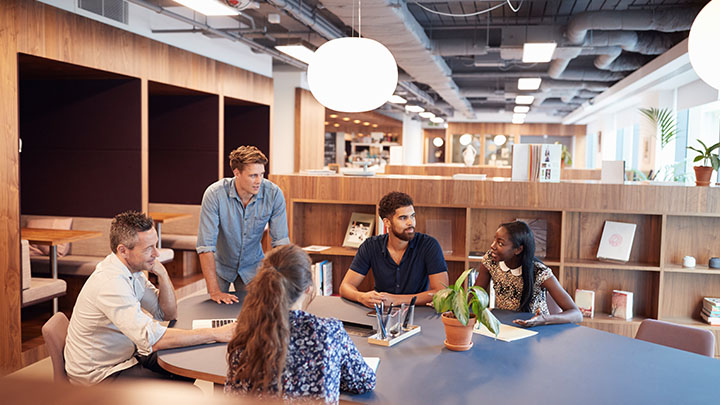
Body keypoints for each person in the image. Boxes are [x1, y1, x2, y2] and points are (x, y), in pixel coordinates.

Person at [64, 211, 235, 386]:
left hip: (127, 355)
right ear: (123, 250)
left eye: (156, 245)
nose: (157, 253)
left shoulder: (133, 271)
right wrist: (216, 333)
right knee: (184, 392)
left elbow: (167, 313)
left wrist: (162, 273)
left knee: (189, 359)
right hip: (101, 373)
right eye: (148, 248)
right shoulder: (111, 284)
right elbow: (153, 340)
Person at [225, 244, 375, 403]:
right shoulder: (328, 332)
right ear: (308, 289)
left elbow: (233, 394)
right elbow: (364, 382)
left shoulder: (247, 332)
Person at [197, 145, 289, 304]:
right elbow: (206, 246)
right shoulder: (214, 194)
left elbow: (280, 243)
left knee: (252, 315)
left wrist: (285, 281)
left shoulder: (273, 194)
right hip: (220, 266)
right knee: (216, 311)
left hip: (253, 267)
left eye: (261, 174)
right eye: (253, 175)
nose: (259, 181)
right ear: (236, 173)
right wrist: (215, 291)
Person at [339, 191, 449, 308]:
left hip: (417, 312)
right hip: (382, 313)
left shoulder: (428, 245)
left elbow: (441, 292)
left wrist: (396, 300)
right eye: (403, 218)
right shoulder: (370, 246)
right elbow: (345, 286)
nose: (410, 222)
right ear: (387, 222)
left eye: (412, 216)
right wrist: (362, 297)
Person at [473, 221, 583, 327]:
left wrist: (543, 319)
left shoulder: (539, 272)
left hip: (537, 330)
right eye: (495, 240)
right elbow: (474, 297)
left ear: (518, 250)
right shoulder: (490, 260)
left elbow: (576, 314)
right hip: (505, 326)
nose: (493, 246)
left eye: (500, 243)